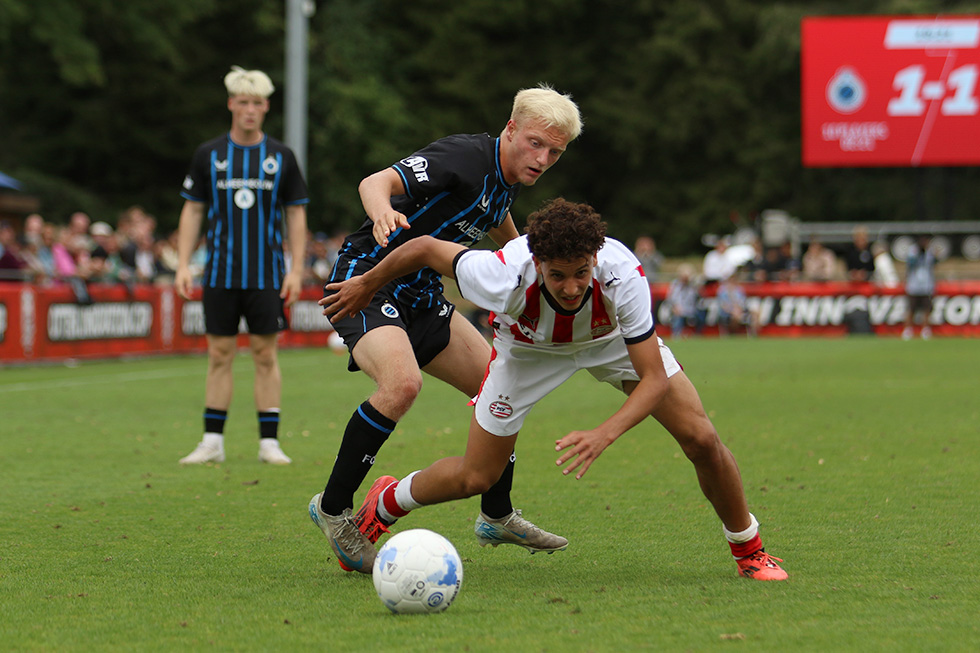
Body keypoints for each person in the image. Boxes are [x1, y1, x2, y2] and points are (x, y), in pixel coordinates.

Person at [320, 198, 788, 581]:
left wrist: (604, 433)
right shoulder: (501, 271)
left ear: (596, 260)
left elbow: (653, 377)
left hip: (609, 343)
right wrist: (366, 283)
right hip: (526, 353)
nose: (571, 287)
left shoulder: (623, 275)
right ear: (537, 262)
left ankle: (749, 549)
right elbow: (422, 247)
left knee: (702, 438)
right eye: (558, 274)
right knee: (476, 477)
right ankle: (385, 503)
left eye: (582, 272)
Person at [308, 84, 583, 573]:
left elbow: (495, 215)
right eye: (536, 143)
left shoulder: (509, 174)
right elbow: (374, 182)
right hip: (366, 284)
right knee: (401, 386)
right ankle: (333, 509)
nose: (542, 158)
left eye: (555, 152)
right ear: (510, 129)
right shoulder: (464, 156)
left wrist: (523, 263)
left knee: (500, 388)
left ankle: (496, 515)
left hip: (421, 296)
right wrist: (383, 213)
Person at [174, 66, 308, 466]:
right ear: (232, 104)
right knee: (219, 353)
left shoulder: (281, 156)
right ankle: (212, 440)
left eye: (257, 103)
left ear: (266, 107)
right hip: (219, 273)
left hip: (266, 274)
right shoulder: (208, 155)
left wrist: (296, 269)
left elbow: (296, 216)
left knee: (265, 355)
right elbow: (193, 210)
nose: (249, 110)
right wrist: (183, 263)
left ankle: (269, 441)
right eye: (243, 102)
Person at [902, 236, 937, 340]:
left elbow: (934, 263)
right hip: (914, 285)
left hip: (926, 285)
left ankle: (926, 329)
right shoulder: (913, 250)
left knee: (926, 309)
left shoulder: (929, 252)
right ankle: (908, 329)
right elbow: (910, 263)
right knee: (911, 309)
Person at [665, 263, 702, 338]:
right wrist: (675, 307)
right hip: (677, 310)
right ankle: (676, 335)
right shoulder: (675, 285)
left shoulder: (693, 286)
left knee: (700, 314)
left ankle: (698, 335)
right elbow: (670, 299)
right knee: (677, 315)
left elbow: (696, 299)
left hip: (691, 310)